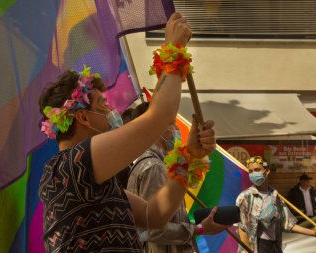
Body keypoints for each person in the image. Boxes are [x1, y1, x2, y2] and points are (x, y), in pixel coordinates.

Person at [38, 13, 223, 252]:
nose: (112, 112)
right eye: (102, 106)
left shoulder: (88, 176)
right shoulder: (72, 165)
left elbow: (154, 214)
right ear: (83, 117)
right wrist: (174, 48)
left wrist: (188, 156)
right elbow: (158, 117)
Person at [127, 102, 228, 253]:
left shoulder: (155, 164)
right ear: (155, 127)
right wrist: (199, 229)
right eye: (172, 123)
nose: (176, 129)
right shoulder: (153, 167)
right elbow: (154, 230)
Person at [236, 156, 316, 253]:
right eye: (250, 171)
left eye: (257, 170)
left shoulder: (275, 196)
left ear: (267, 171)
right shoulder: (246, 197)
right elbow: (242, 228)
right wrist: (247, 251)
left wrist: (313, 232)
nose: (253, 174)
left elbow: (287, 223)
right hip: (257, 246)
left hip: (275, 245)